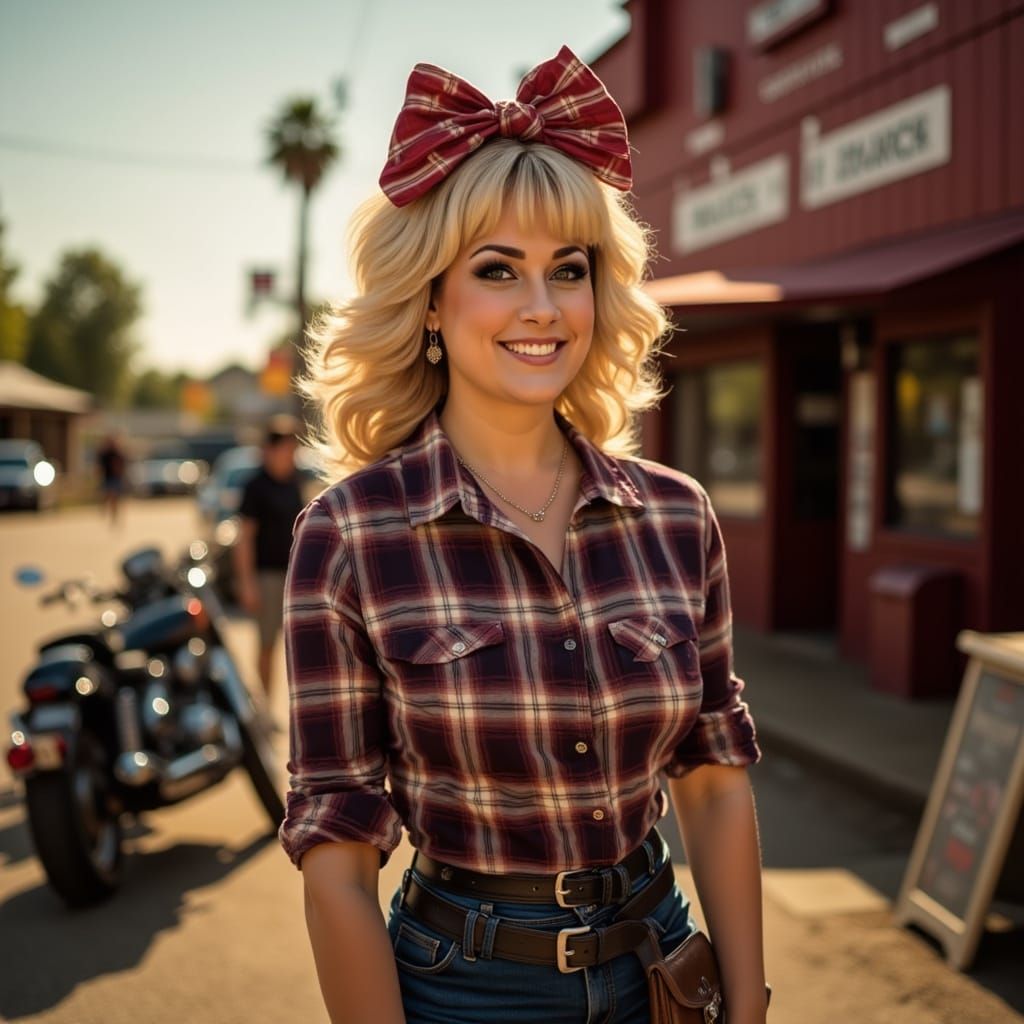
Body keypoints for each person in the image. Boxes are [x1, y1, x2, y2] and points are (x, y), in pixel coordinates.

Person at [280, 46, 767, 1024]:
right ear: (428, 300)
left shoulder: (676, 516)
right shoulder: (350, 536)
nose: (542, 308)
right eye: (497, 270)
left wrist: (748, 1005)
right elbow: (336, 858)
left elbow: (712, 780)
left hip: (665, 969)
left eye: (568, 270)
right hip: (464, 986)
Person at [234, 414, 305, 703]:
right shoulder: (255, 487)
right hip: (265, 576)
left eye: (293, 450)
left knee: (294, 646)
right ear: (270, 450)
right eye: (286, 450)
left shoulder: (294, 483)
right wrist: (247, 583)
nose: (290, 456)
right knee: (266, 645)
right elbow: (244, 539)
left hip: (293, 576)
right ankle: (263, 704)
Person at [96, 433, 127, 524]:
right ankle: (104, 512)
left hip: (115, 478)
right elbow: (99, 467)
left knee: (114, 498)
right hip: (106, 478)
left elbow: (122, 466)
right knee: (106, 497)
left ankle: (114, 515)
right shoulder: (104, 454)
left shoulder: (118, 453)